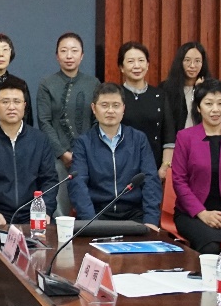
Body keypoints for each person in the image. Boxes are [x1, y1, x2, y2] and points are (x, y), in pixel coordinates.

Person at [168, 80, 221, 256]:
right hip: (192, 214)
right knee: (211, 246)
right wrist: (202, 213)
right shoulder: (185, 137)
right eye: (208, 103)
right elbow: (179, 181)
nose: (215, 109)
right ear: (199, 107)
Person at [68, 83, 162, 227]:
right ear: (94, 108)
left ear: (123, 108)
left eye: (116, 105)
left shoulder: (138, 139)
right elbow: (77, 184)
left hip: (134, 215)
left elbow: (150, 180)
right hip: (97, 215)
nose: (110, 111)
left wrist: (151, 220)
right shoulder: (84, 143)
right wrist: (90, 222)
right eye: (104, 105)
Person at [0, 78, 58, 226]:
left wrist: (45, 210)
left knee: (54, 237)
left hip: (33, 213)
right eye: (5, 102)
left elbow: (50, 180)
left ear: (24, 106)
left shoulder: (40, 140)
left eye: (17, 101)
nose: (11, 107)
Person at [35, 32, 100, 216]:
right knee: (58, 208)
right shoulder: (47, 84)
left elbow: (97, 120)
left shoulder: (93, 83)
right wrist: (62, 153)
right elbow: (44, 122)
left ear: (82, 55)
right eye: (64, 51)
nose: (69, 56)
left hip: (88, 155)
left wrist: (83, 152)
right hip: (56, 157)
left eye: (74, 51)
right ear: (57, 56)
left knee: (89, 207)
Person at [159, 41, 212, 179]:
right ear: (180, 62)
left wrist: (200, 91)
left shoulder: (211, 89)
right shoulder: (166, 88)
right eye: (187, 60)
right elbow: (165, 126)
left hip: (204, 151)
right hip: (176, 151)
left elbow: (212, 119)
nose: (192, 65)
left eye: (197, 61)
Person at [118, 41, 166, 169]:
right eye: (130, 61)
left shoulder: (159, 95)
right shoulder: (115, 95)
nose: (137, 66)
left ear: (147, 65)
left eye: (141, 60)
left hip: (154, 165)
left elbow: (168, 135)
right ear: (121, 67)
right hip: (121, 164)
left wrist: (164, 166)